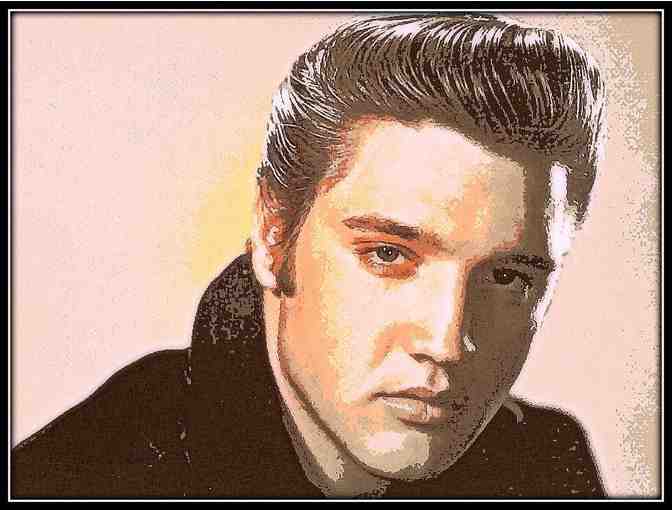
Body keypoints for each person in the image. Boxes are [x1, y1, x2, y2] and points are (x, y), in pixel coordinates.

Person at [12, 13, 607, 498]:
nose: (447, 343)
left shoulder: (548, 467)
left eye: (507, 277)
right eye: (388, 254)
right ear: (274, 235)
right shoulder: (77, 482)